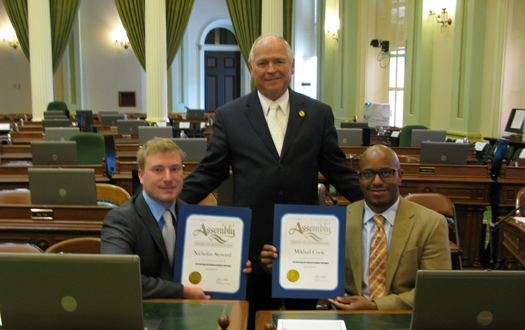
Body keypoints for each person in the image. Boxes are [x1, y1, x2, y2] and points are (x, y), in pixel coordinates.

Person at [179, 34, 363, 323]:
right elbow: (210, 172)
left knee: (301, 321)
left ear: (291, 66)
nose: (271, 69)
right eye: (263, 63)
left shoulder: (318, 114)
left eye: (279, 61)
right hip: (250, 246)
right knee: (253, 318)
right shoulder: (230, 116)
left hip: (304, 245)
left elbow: (337, 170)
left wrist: (379, 202)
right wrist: (168, 201)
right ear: (252, 68)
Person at [100, 138, 250, 299]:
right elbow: (119, 278)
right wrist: (181, 291)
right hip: (143, 315)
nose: (168, 178)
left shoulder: (193, 217)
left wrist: (232, 265)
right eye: (158, 170)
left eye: (175, 169)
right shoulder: (120, 220)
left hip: (192, 312)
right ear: (141, 175)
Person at [326, 145, 451, 310]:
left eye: (386, 173)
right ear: (359, 178)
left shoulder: (431, 224)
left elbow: (436, 290)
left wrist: (375, 306)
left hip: (404, 318)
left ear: (400, 176)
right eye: (368, 174)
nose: (377, 181)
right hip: (349, 315)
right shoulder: (338, 221)